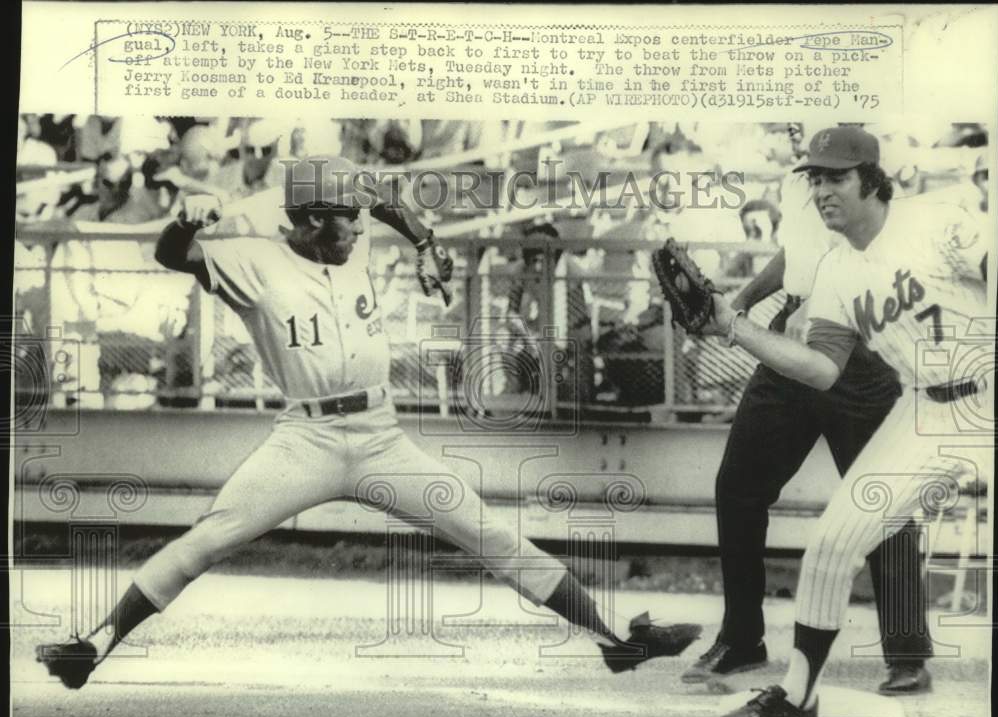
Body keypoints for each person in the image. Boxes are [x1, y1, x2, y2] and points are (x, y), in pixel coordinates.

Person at [36, 155, 702, 689]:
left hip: (381, 435)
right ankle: (94, 644)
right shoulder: (255, 261)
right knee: (211, 537)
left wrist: (423, 241)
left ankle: (616, 638)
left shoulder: (346, 243)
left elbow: (383, 195)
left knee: (488, 529)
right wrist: (187, 221)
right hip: (307, 438)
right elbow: (171, 255)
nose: (360, 227)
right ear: (314, 221)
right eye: (347, 218)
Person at [701, 127, 988, 717]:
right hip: (925, 410)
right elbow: (821, 370)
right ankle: (798, 696)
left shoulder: (937, 219)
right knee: (832, 543)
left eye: (836, 178)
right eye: (816, 180)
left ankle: (906, 652)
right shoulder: (834, 270)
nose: (823, 191)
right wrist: (734, 327)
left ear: (871, 179)